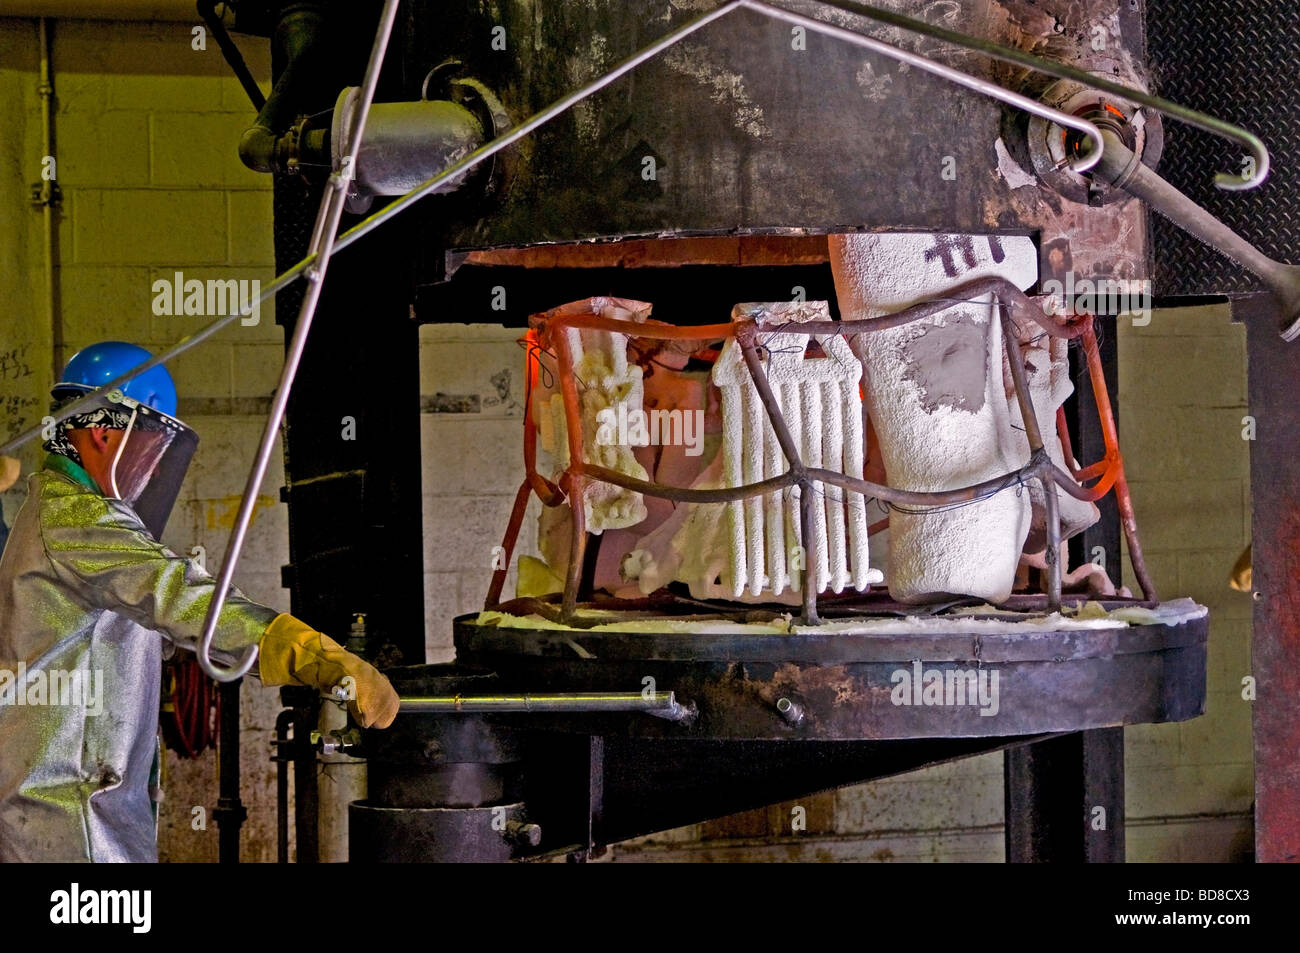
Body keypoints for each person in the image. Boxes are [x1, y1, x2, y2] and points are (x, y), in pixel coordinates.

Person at [0, 342, 399, 862]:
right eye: (146, 445)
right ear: (102, 432)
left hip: (78, 804)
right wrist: (317, 656)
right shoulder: (74, 519)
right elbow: (179, 594)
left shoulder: (64, 512)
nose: (150, 466)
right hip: (70, 817)